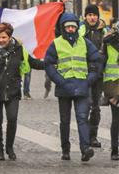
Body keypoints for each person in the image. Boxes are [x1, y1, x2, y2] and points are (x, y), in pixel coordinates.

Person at [0, 22, 43, 160]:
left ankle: (9, 148)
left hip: (13, 90)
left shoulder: (19, 49)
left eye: (4, 37)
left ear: (10, 37)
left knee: (12, 119)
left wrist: (51, 63)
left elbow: (33, 63)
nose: (1, 40)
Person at [44, 12, 104, 162]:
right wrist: (59, 80)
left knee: (82, 118)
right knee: (65, 121)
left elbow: (96, 61)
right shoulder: (56, 43)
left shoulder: (85, 43)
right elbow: (49, 64)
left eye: (73, 26)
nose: (71, 29)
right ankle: (65, 149)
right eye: (68, 27)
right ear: (63, 28)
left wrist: (89, 79)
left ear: (77, 28)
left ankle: (85, 149)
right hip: (64, 87)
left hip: (82, 86)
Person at [80, 4, 106, 149]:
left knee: (95, 107)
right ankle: (85, 136)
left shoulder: (105, 32)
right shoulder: (80, 30)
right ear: (85, 16)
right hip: (84, 72)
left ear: (98, 16)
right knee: (86, 104)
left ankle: (93, 136)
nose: (92, 17)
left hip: (99, 74)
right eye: (89, 15)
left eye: (94, 15)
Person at [101, 23, 119, 160]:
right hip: (113, 84)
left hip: (112, 84)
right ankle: (114, 149)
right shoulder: (108, 44)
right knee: (116, 119)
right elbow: (102, 63)